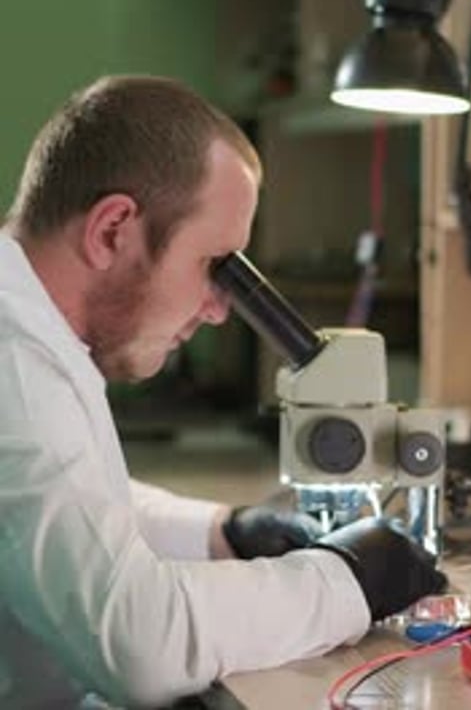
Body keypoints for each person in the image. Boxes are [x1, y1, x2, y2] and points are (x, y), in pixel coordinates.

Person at [0, 75, 446, 709]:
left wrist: (225, 531)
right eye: (216, 266)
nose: (218, 309)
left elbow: (61, 506)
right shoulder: (14, 366)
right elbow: (138, 645)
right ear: (112, 231)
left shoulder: (26, 332)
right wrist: (344, 581)